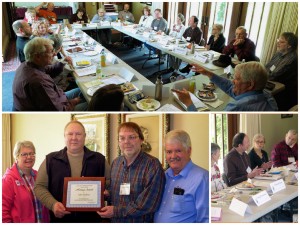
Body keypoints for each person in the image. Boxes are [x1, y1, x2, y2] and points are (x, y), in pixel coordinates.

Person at [34, 121, 110, 222]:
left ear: (84, 136)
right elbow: (39, 187)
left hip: (91, 220)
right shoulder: (50, 160)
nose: (74, 138)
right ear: (64, 136)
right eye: (70, 134)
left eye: (78, 134)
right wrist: (53, 204)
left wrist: (107, 192)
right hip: (60, 220)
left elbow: (110, 183)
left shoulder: (99, 160)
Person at [98, 122, 165, 222]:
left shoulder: (152, 165)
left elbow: (147, 204)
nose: (126, 142)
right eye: (122, 138)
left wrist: (116, 211)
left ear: (141, 140)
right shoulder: (116, 163)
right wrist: (107, 194)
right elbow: (117, 193)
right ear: (119, 142)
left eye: (132, 137)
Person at [13, 37, 87, 111]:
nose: (55, 54)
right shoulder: (38, 82)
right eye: (51, 51)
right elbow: (58, 110)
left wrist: (62, 62)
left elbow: (49, 70)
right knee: (91, 104)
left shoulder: (29, 64)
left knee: (83, 91)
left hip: (58, 97)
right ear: (38, 56)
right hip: (53, 111)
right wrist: (74, 101)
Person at [172, 62, 278, 111]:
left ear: (250, 85)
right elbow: (230, 87)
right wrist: (209, 73)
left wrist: (189, 103)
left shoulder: (237, 107)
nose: (233, 81)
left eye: (237, 78)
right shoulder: (267, 95)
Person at [154, 130, 209, 222]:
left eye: (178, 151)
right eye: (169, 152)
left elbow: (205, 219)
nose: (173, 156)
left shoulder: (202, 178)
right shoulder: (163, 176)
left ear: (189, 151)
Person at [2, 141, 49, 222]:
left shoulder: (38, 176)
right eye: (24, 154)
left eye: (32, 154)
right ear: (16, 157)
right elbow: (2, 211)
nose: (29, 157)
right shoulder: (8, 180)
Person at [265, 32, 298, 111]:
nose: (278, 43)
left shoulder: (292, 59)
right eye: (278, 40)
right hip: (270, 83)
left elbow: (275, 76)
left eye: (282, 42)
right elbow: (267, 67)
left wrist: (262, 75)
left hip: (282, 94)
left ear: (289, 46)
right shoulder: (278, 53)